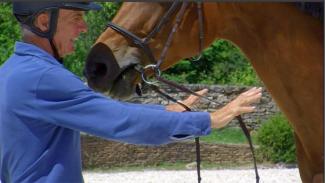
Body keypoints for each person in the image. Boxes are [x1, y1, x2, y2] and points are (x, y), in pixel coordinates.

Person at [0, 2, 262, 183]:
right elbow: (121, 121)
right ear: (45, 21)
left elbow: (106, 111)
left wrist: (169, 111)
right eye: (76, 18)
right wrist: (209, 120)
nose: (83, 28)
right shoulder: (43, 78)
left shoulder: (12, 71)